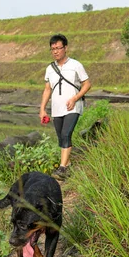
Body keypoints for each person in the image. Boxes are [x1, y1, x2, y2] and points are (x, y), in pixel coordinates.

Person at [39, 34, 91, 180]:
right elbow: (47, 89)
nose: (55, 51)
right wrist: (42, 108)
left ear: (65, 48)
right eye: (53, 49)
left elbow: (87, 84)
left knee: (66, 134)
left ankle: (62, 169)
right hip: (57, 108)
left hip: (73, 107)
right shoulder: (50, 68)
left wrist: (75, 98)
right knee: (61, 138)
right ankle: (67, 166)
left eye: (58, 48)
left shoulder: (76, 65)